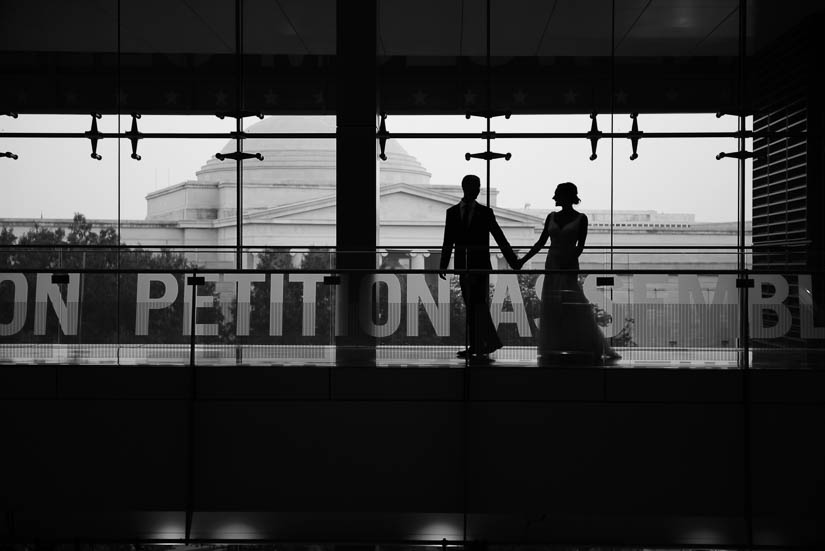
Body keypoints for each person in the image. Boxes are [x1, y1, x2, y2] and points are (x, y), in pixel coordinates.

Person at [516, 182, 620, 364]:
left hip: (568, 264)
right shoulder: (556, 217)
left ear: (565, 196)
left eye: (556, 194)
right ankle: (564, 345)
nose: (554, 198)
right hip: (555, 264)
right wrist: (522, 260)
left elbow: (580, 246)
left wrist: (569, 260)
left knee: (570, 304)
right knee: (558, 305)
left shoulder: (580, 218)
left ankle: (566, 345)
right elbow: (541, 243)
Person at [440, 174, 518, 361]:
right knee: (475, 306)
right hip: (464, 266)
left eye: (478, 186)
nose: (477, 190)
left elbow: (499, 238)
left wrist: (512, 260)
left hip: (480, 266)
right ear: (466, 188)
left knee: (476, 305)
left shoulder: (484, 212)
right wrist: (443, 264)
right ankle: (483, 343)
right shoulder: (453, 213)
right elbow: (448, 240)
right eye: (475, 186)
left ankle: (482, 344)